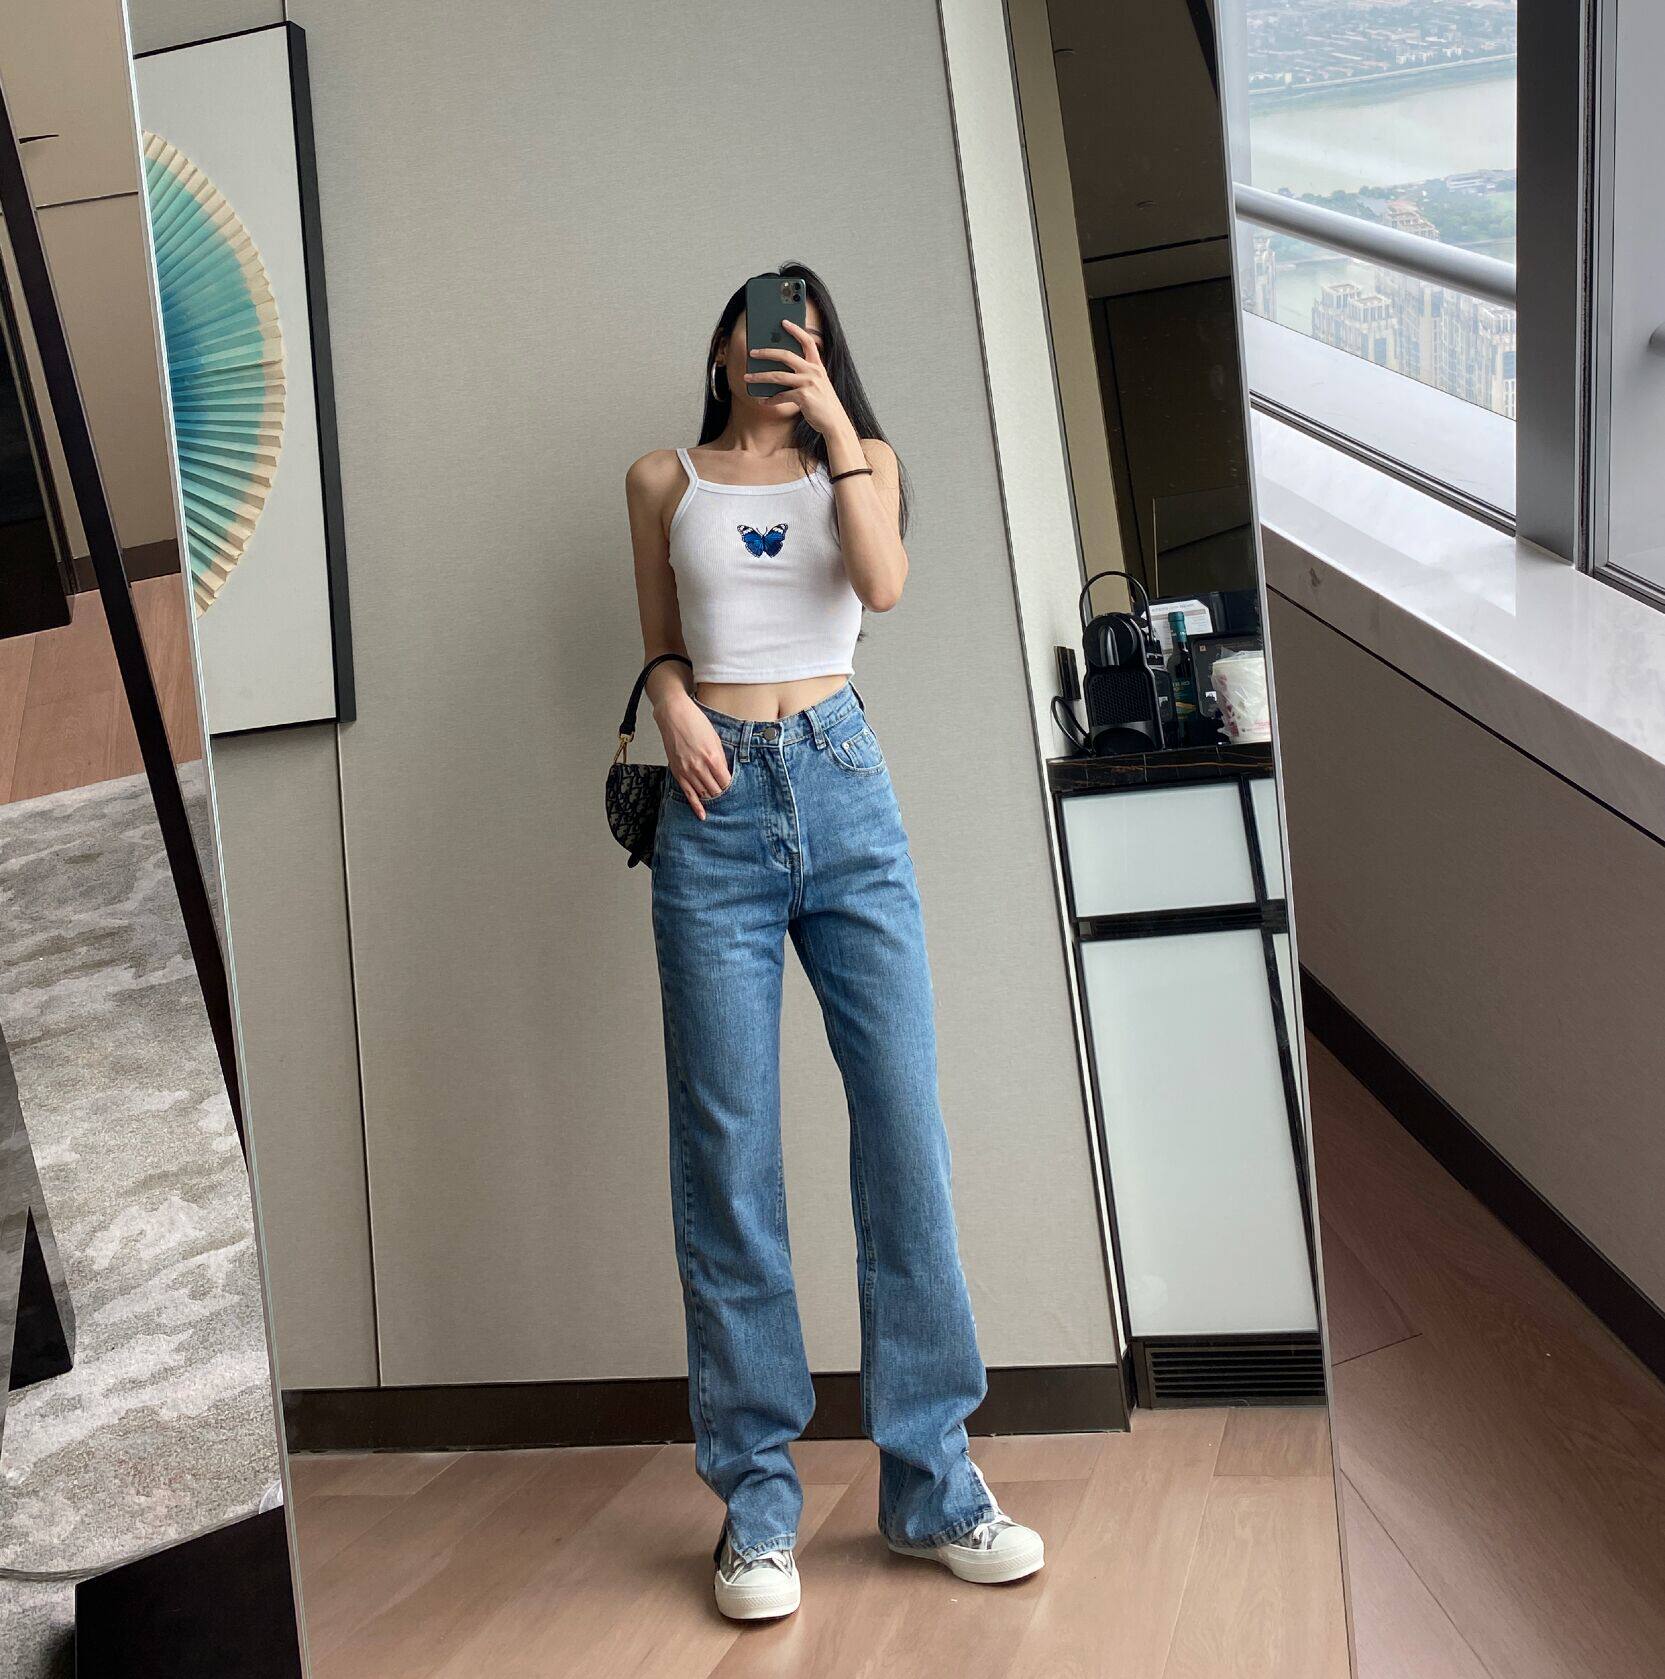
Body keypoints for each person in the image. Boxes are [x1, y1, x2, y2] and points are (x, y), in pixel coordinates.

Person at [623, 263, 1042, 1621]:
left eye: (798, 337)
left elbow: (885, 585)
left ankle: (931, 1484)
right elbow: (660, 644)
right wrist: (670, 698)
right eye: (755, 330)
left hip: (844, 786)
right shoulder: (660, 479)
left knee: (904, 1128)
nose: (773, 351)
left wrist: (838, 430)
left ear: (822, 349)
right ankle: (756, 1505)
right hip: (711, 814)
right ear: (721, 345)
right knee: (727, 1150)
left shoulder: (862, 462)